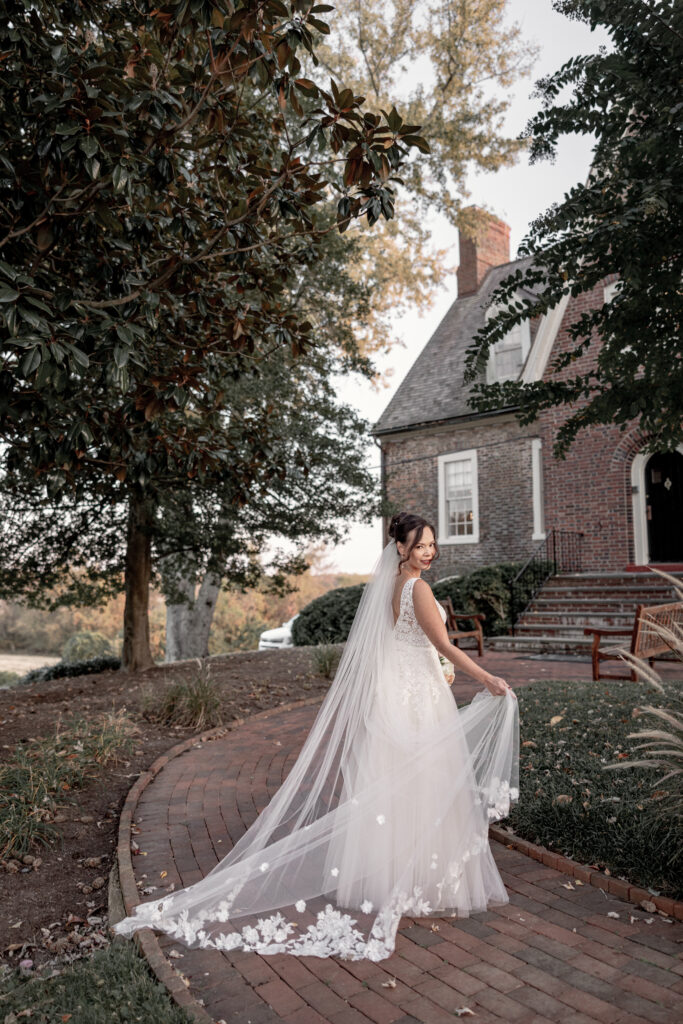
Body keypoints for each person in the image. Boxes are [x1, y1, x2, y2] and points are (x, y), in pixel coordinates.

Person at [113, 512, 519, 961]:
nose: (430, 552)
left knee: (402, 786)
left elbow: (405, 642)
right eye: (421, 545)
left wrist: (437, 669)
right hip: (417, 698)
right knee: (423, 783)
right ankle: (419, 882)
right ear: (401, 549)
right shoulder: (417, 588)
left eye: (432, 544)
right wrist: (487, 678)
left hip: (401, 691)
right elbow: (442, 645)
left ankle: (393, 877)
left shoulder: (388, 585)